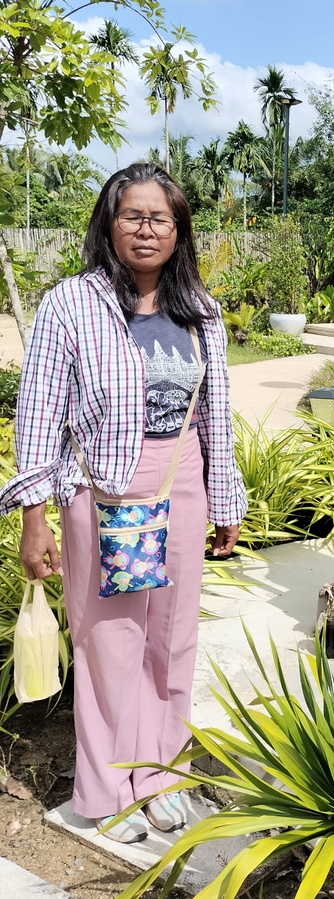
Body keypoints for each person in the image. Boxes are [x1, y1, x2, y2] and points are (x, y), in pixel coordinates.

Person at [0, 162, 247, 843]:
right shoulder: (71, 304)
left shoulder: (198, 308)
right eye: (132, 216)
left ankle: (158, 777)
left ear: (178, 231)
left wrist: (225, 501)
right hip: (104, 488)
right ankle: (108, 787)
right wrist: (34, 516)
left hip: (182, 484)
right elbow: (40, 416)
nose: (146, 229)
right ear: (109, 224)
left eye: (159, 218)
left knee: (171, 641)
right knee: (111, 642)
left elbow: (214, 416)